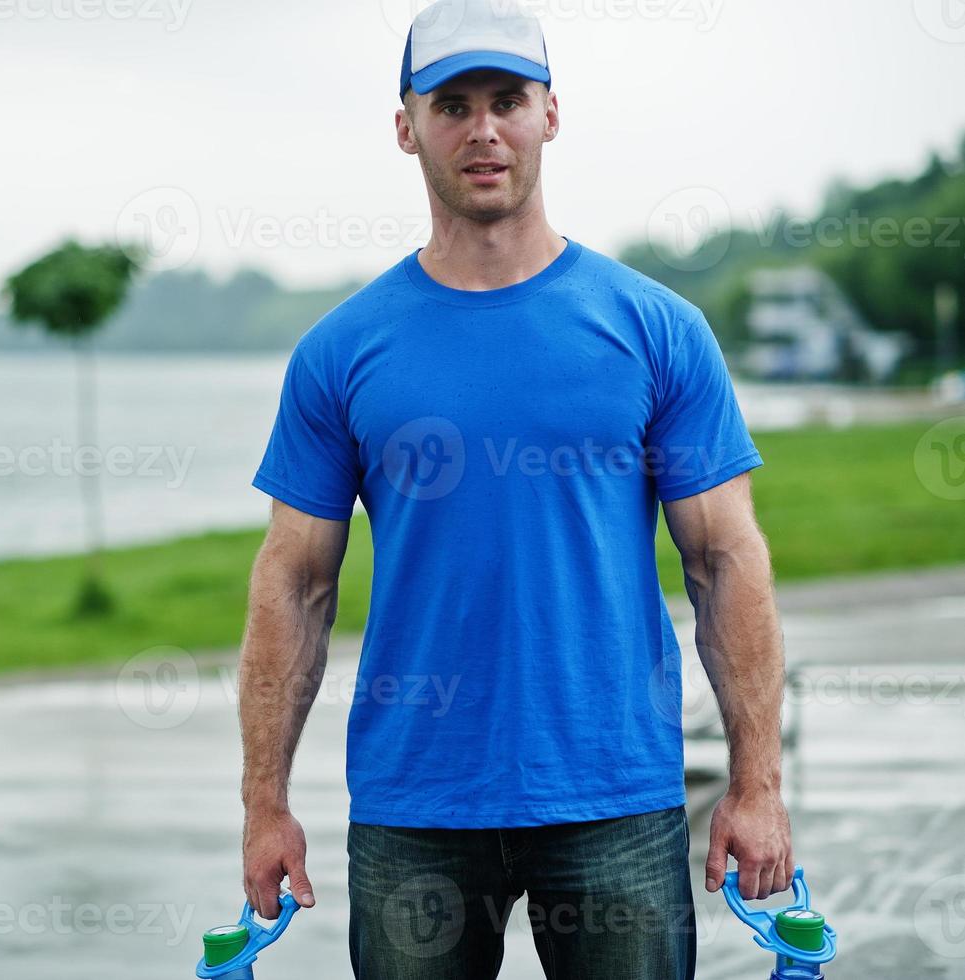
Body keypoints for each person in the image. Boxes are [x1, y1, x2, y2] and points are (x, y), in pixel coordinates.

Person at [236, 0, 793, 976]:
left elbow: (725, 558)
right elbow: (294, 583)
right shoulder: (342, 351)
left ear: (550, 115)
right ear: (406, 125)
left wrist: (758, 782)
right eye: (453, 104)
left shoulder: (656, 329)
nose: (483, 128)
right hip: (417, 805)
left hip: (615, 795)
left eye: (508, 100)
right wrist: (263, 801)